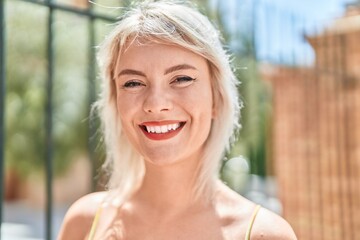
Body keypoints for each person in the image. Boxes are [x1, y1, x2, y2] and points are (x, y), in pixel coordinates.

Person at [58, 1, 297, 239]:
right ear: (115, 100)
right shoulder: (84, 223)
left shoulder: (263, 234)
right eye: (133, 83)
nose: (155, 104)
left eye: (181, 78)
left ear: (216, 98)